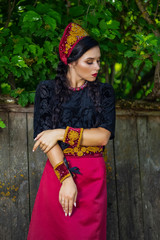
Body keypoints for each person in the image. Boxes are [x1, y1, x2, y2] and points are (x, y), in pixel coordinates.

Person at [27, 22, 115, 240]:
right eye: (90, 61)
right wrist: (66, 179)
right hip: (58, 173)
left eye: (99, 61)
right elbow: (45, 140)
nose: (97, 67)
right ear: (72, 62)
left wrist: (59, 133)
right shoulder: (46, 90)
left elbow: (103, 136)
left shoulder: (104, 92)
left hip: (93, 179)